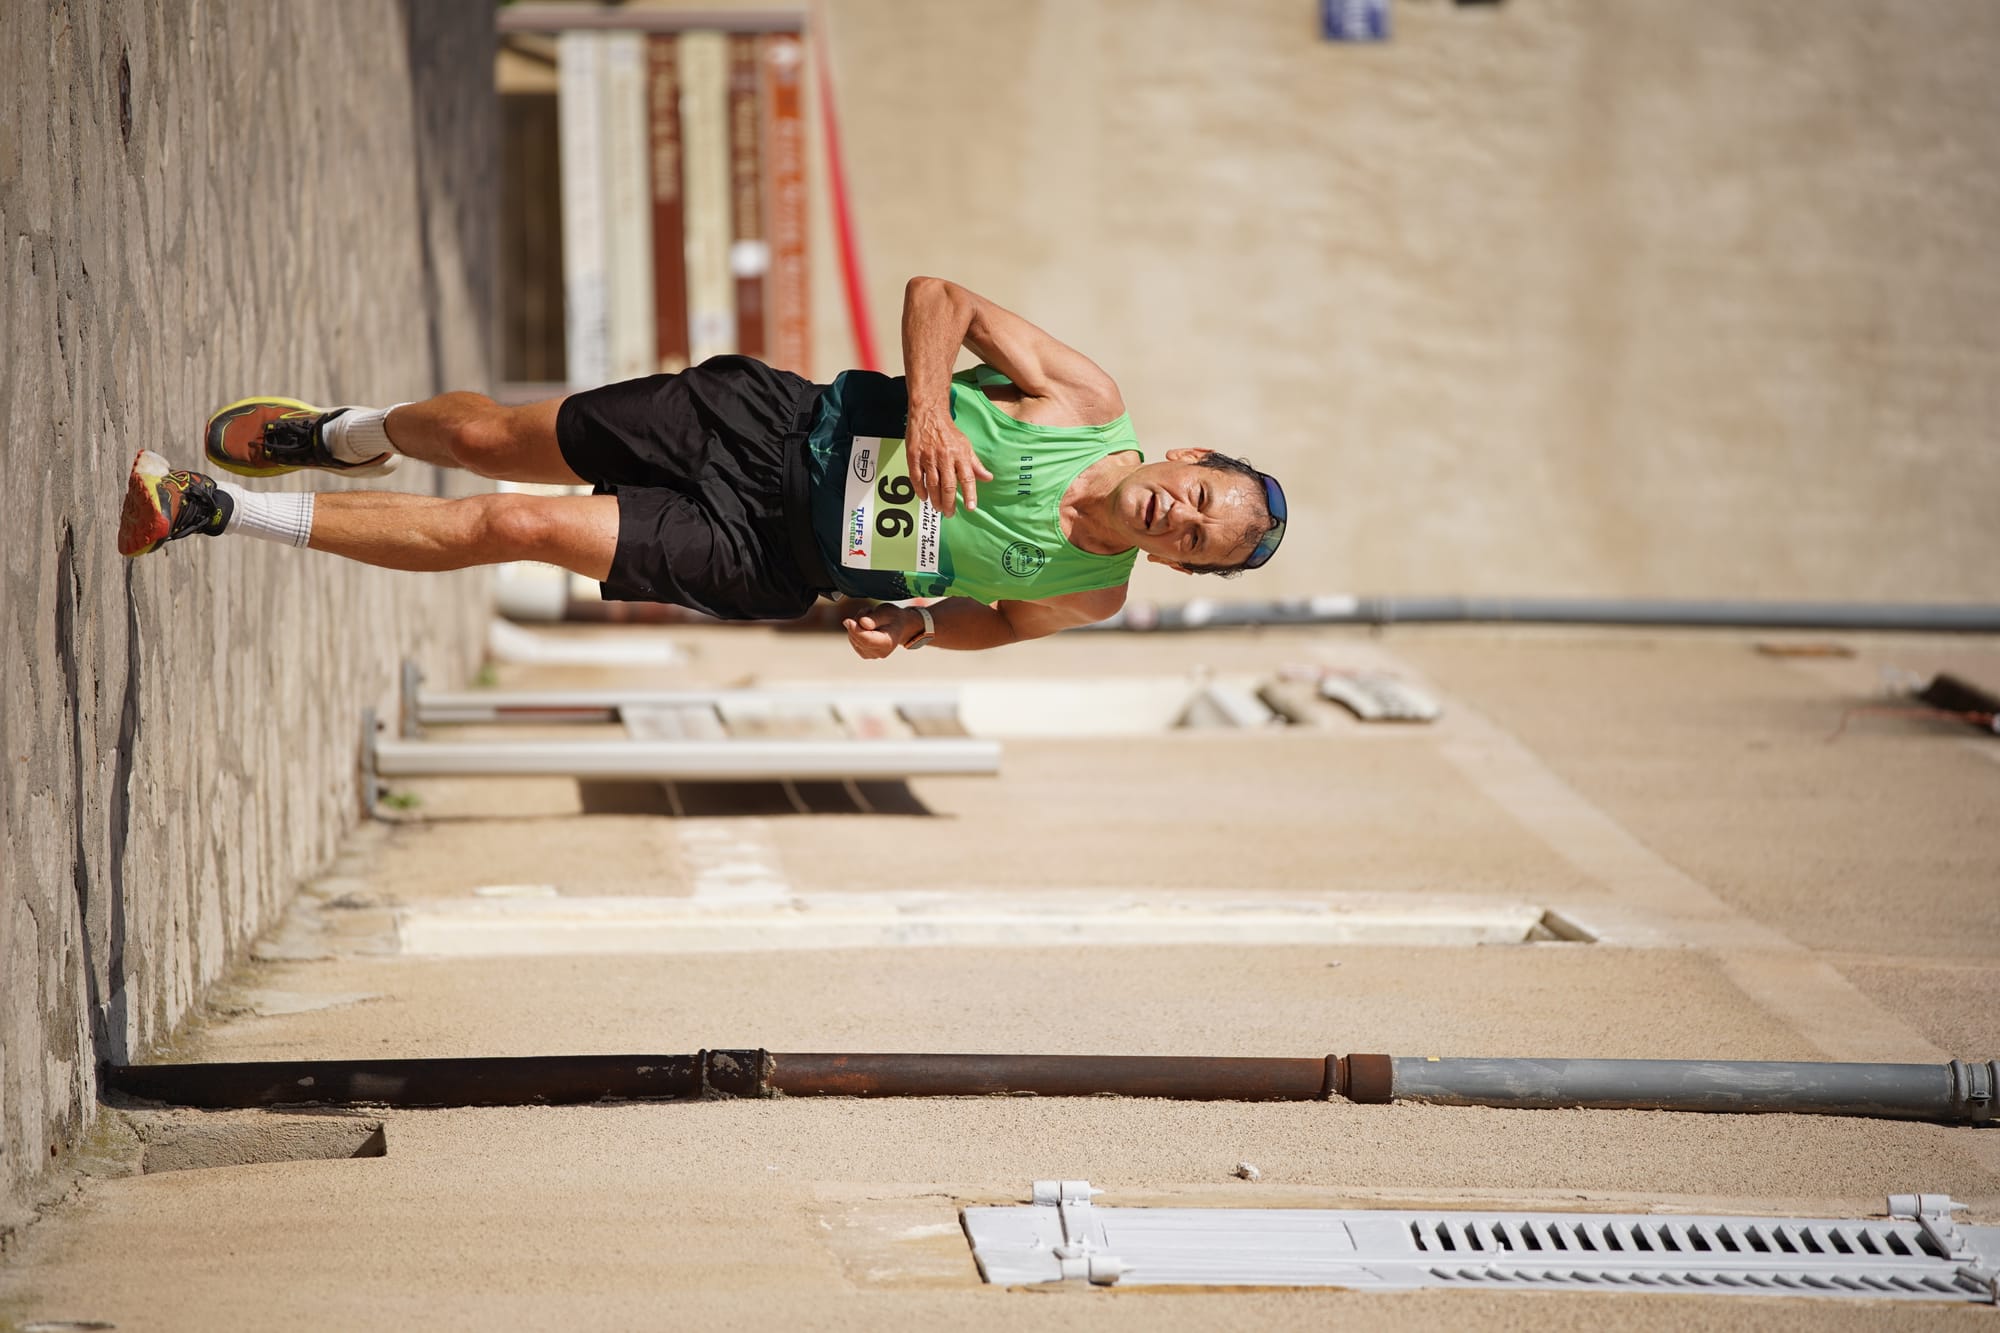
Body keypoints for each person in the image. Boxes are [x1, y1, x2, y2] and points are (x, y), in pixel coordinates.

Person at [119, 277, 1287, 656]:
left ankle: (210, 512)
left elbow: (991, 625)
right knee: (483, 443)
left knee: (513, 530)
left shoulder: (1088, 592)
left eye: (1193, 537)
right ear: (1184, 457)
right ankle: (348, 433)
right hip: (762, 428)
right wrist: (929, 412)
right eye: (1196, 496)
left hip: (767, 554)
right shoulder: (1084, 404)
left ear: (1177, 564)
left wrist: (916, 629)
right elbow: (939, 296)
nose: (1177, 516)